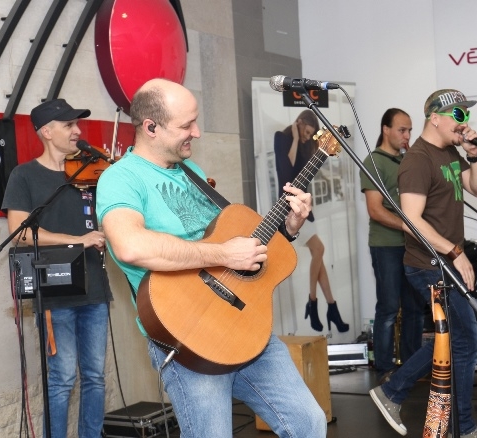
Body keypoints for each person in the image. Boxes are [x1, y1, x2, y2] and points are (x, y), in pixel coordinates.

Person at [95, 78, 327, 438]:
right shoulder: (120, 179)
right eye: (186, 125)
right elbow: (130, 246)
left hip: (245, 328)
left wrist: (289, 229)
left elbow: (238, 254)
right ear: (151, 127)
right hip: (189, 338)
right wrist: (223, 253)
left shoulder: (194, 174)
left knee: (308, 423)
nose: (197, 132)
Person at [369, 89, 477, 438]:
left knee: (455, 338)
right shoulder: (417, 160)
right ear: (435, 118)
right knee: (465, 340)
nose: (464, 122)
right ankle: (461, 426)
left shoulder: (450, 152)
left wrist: (474, 156)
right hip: (428, 264)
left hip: (443, 262)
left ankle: (394, 392)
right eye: (458, 115)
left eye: (466, 115)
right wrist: (455, 252)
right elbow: (412, 220)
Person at [2, 99, 112, 438]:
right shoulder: (24, 175)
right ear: (47, 132)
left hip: (95, 288)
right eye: (68, 125)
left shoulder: (91, 172)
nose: (77, 131)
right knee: (62, 378)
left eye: (77, 124)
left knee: (95, 377)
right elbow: (19, 233)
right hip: (55, 292)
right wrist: (78, 240)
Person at [360, 108, 424, 383]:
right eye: (402, 130)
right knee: (388, 308)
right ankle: (384, 368)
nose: (407, 135)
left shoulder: (408, 161)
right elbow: (375, 210)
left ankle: (412, 366)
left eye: (409, 130)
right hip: (386, 246)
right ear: (385, 130)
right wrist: (408, 226)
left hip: (412, 247)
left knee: (414, 309)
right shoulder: (373, 162)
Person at [273, 109, 349, 333]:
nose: (307, 137)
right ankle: (313, 302)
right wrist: (296, 138)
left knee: (319, 258)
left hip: (304, 209)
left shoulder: (307, 146)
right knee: (319, 250)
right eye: (306, 132)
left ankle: (331, 307)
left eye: (310, 134)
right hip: (287, 209)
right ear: (298, 124)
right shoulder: (281, 138)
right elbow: (287, 171)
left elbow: (307, 173)